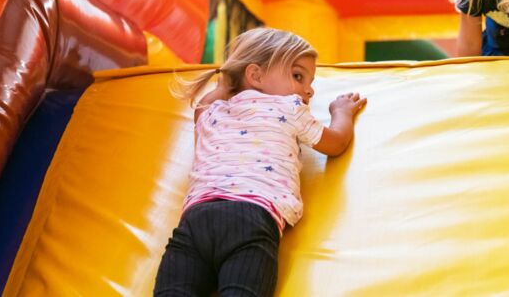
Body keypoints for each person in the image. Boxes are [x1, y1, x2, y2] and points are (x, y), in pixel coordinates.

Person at [154, 27, 367, 296]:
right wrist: (341, 112)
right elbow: (336, 143)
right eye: (298, 76)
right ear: (255, 75)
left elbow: (203, 106)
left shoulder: (213, 111)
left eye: (310, 82)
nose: (309, 90)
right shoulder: (289, 108)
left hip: (195, 221)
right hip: (251, 218)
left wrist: (225, 85)